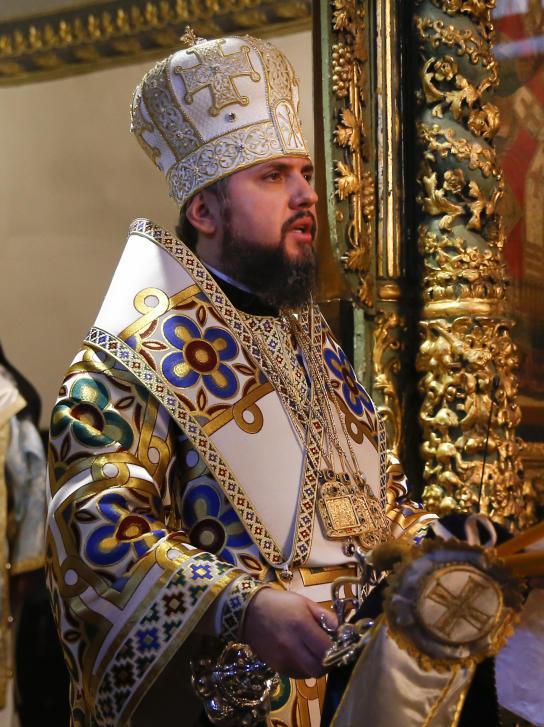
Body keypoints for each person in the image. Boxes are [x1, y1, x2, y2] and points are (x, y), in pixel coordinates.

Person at [44, 32, 435, 726]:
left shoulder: (311, 341)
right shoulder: (123, 365)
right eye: (273, 176)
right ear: (204, 212)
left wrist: (447, 544)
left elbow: (377, 505)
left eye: (306, 174)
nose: (306, 194)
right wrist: (241, 604)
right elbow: (96, 528)